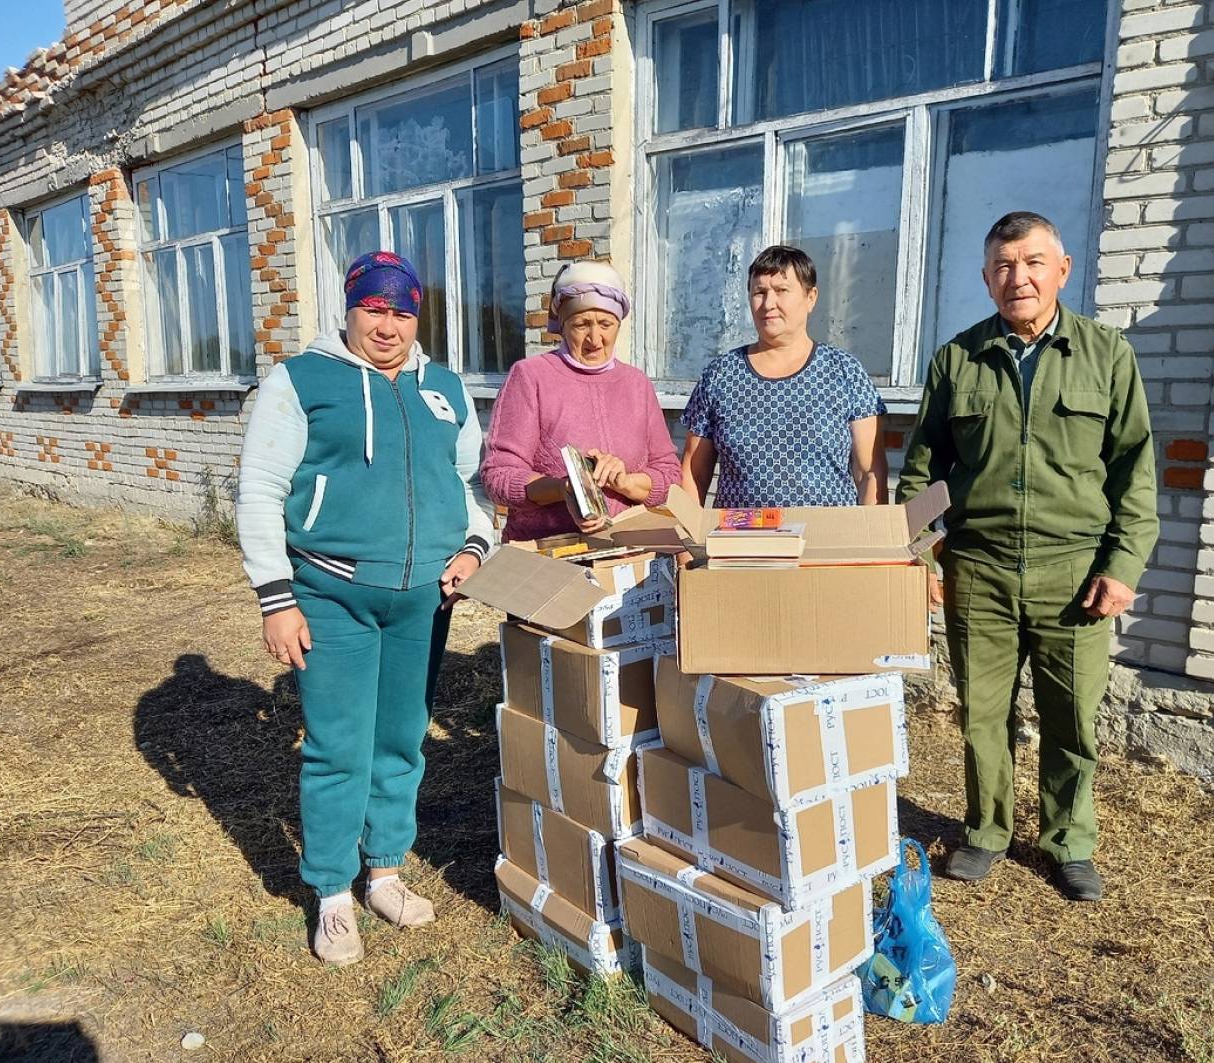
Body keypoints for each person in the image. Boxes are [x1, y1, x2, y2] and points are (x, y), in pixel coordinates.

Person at [235, 250, 494, 963]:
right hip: (330, 593)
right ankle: (331, 893)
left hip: (422, 601)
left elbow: (471, 484)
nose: (388, 324)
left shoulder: (443, 387)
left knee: (400, 740)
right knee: (336, 745)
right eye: (374, 308)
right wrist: (275, 596)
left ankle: (384, 871)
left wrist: (475, 545)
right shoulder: (303, 381)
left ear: (418, 316)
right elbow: (259, 488)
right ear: (350, 308)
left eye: (402, 310)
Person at [897, 212, 1158, 902]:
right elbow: (922, 472)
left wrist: (1123, 564)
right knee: (983, 712)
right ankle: (985, 830)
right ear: (987, 280)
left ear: (1061, 271)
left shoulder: (1106, 355)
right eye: (1005, 266)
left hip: (1073, 570)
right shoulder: (956, 360)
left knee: (1070, 714)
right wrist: (924, 557)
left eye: (1034, 262)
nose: (1020, 277)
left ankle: (1068, 840)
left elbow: (1135, 469)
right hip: (978, 567)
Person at [482, 261, 680, 541]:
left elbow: (669, 474)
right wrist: (563, 488)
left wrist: (626, 483)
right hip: (549, 557)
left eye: (606, 324)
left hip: (627, 553)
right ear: (562, 324)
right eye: (581, 324)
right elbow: (498, 477)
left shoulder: (637, 383)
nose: (595, 339)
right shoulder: (530, 376)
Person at [680, 245, 888, 508]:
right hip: (739, 543)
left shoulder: (845, 372)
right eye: (760, 292)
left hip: (826, 542)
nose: (768, 304)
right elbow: (692, 473)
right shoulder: (720, 375)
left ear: (811, 297)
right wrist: (687, 547)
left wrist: (872, 545)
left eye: (781, 291)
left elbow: (870, 473)